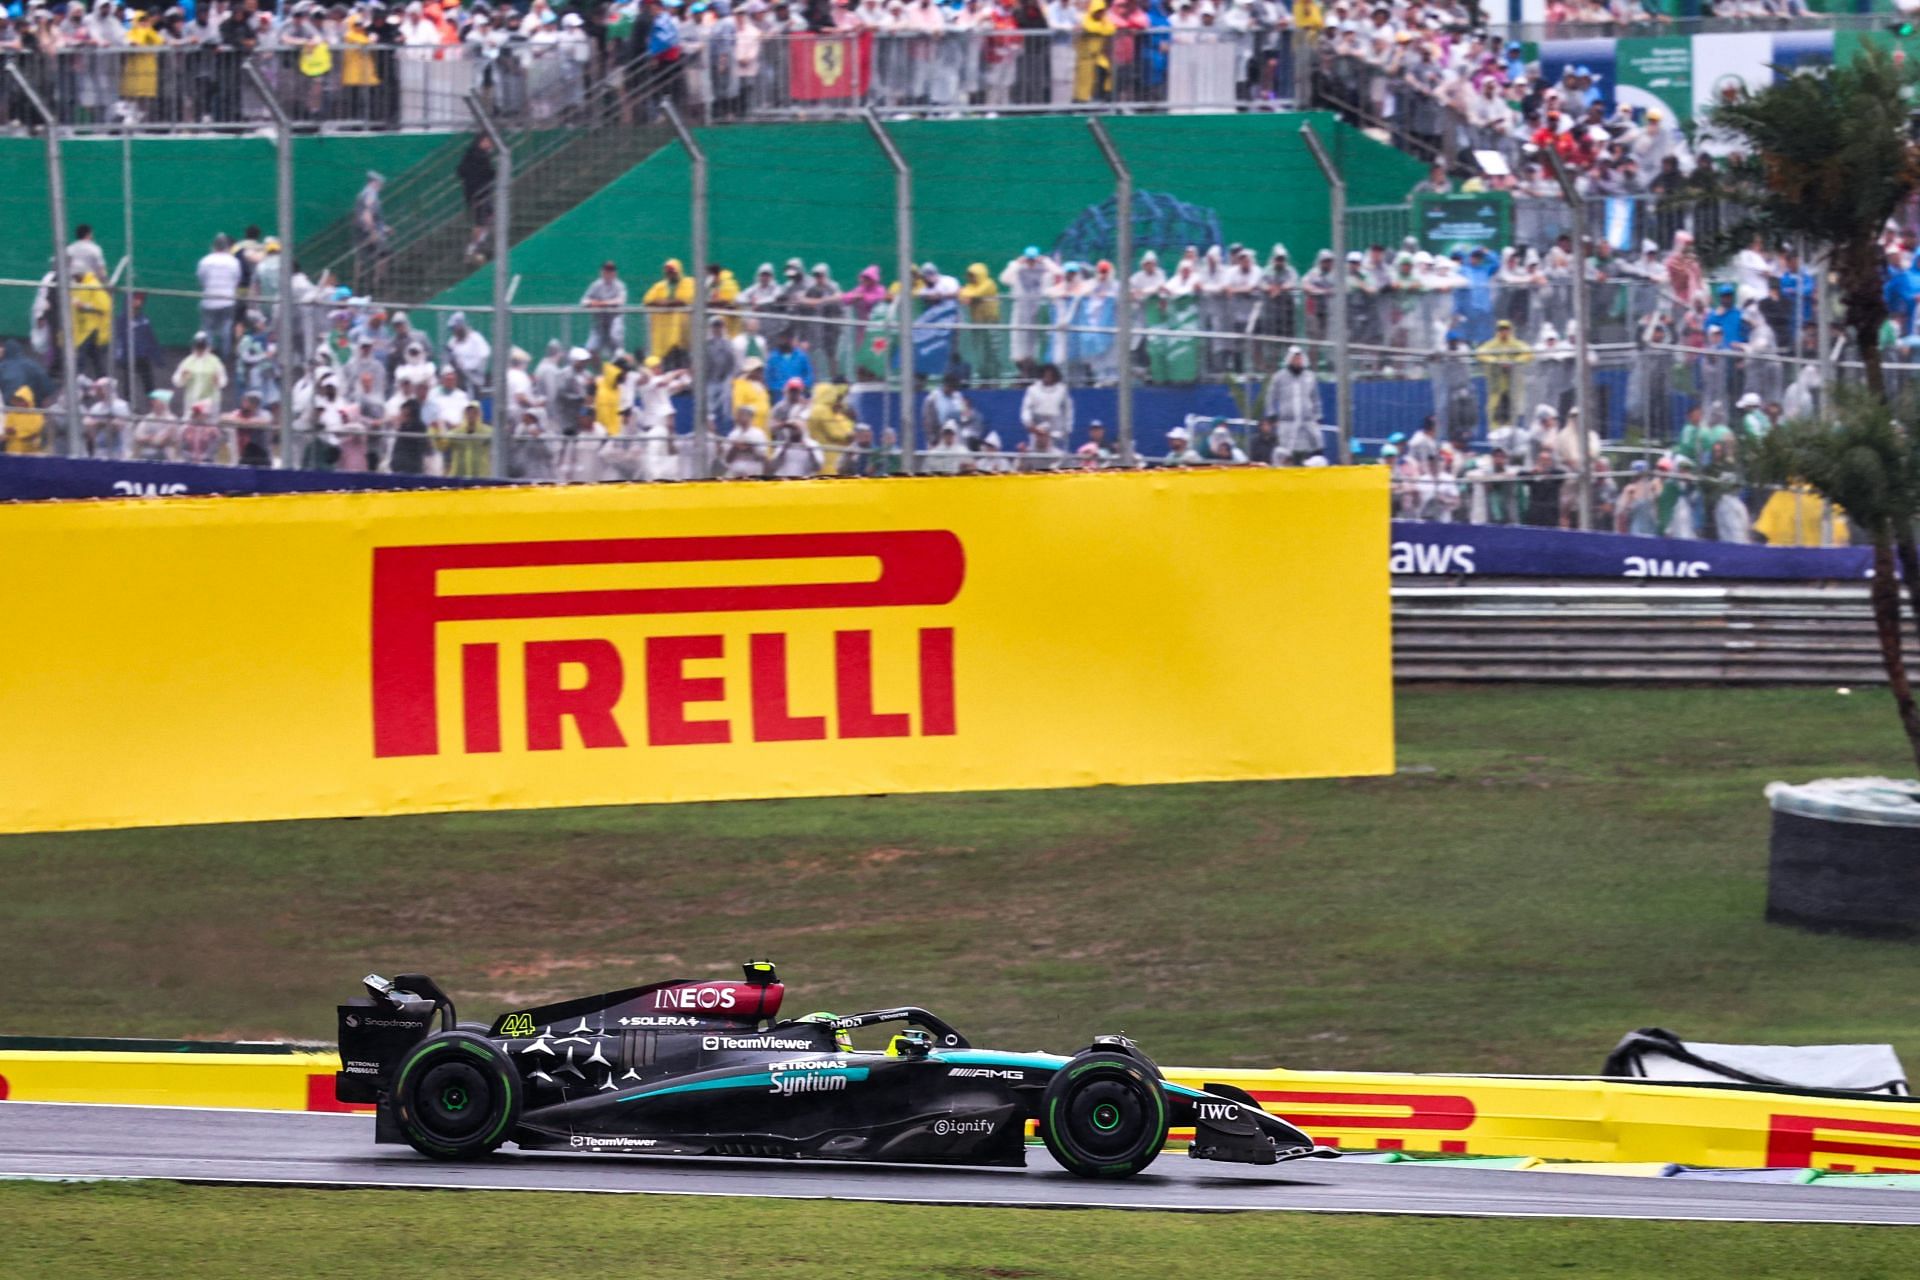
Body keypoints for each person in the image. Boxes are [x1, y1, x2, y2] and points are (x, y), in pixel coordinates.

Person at [1264, 345, 1322, 462]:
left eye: (1299, 358)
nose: (1297, 361)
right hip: (1287, 422)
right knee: (1286, 451)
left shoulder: (1309, 376)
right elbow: (1271, 396)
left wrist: (1317, 415)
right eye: (1295, 358)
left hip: (1307, 420)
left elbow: (1315, 398)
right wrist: (1271, 414)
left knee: (1315, 447)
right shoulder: (1279, 377)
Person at [196, 234, 243, 367]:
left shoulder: (205, 260)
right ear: (227, 247)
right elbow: (237, 280)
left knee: (208, 329)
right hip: (228, 300)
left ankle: (208, 357)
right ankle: (225, 358)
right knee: (226, 328)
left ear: (214, 246)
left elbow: (201, 280)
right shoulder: (233, 261)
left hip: (209, 299)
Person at [642, 259, 695, 367]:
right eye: (668, 272)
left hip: (681, 334)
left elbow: (684, 300)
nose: (669, 274)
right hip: (664, 335)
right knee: (665, 366)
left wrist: (664, 303)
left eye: (672, 271)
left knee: (682, 366)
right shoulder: (660, 286)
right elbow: (647, 300)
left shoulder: (688, 282)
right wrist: (666, 303)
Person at [458, 134, 497, 266]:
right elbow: (488, 173)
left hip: (477, 193)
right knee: (481, 221)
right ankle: (472, 249)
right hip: (478, 194)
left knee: (488, 218)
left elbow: (460, 171)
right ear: (481, 142)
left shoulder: (474, 155)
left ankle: (477, 245)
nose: (490, 144)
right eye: (487, 141)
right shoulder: (478, 156)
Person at [172, 332, 229, 415]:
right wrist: (182, 376)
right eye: (198, 347)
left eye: (202, 347)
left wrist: (218, 381)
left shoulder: (215, 362)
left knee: (209, 427)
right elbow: (177, 382)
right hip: (191, 403)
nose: (200, 350)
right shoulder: (187, 362)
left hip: (210, 405)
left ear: (208, 347)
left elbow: (223, 381)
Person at [1019, 362, 1072, 449]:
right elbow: (1026, 409)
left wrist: (1067, 429)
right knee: (1037, 454)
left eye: (1051, 374)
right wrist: (1029, 424)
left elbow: (1068, 410)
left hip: (1057, 431)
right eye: (1046, 374)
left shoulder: (1062, 390)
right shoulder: (1032, 390)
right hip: (1037, 430)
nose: (1048, 377)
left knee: (1057, 456)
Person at [582, 261, 629, 357]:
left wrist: (601, 303)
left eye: (611, 270)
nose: (609, 272)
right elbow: (584, 301)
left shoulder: (619, 285)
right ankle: (600, 371)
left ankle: (619, 369)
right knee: (590, 350)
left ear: (615, 273)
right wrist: (592, 303)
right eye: (606, 270)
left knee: (616, 347)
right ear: (602, 272)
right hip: (599, 322)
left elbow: (620, 301)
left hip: (615, 320)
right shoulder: (596, 285)